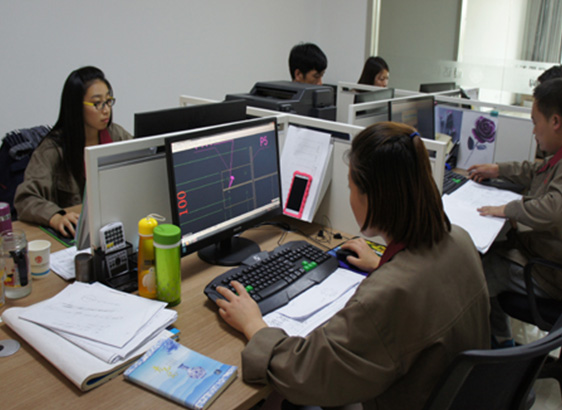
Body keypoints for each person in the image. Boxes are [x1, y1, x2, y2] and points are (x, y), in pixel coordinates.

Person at [215, 122, 490, 409]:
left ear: (373, 196)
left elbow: (305, 373)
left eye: (351, 186)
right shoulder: (460, 240)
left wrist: (254, 325)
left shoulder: (389, 293)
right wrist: (385, 265)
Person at [468, 78, 562, 347]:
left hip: (546, 272)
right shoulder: (557, 158)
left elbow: (554, 208)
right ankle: (502, 341)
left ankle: (490, 350)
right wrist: (499, 170)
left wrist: (508, 209)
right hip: (540, 255)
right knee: (486, 254)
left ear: (555, 121)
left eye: (535, 122)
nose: (533, 131)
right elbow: (536, 171)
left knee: (473, 271)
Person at [14, 66, 132, 236]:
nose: (106, 110)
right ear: (76, 106)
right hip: (73, 233)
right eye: (97, 103)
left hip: (113, 223)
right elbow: (25, 198)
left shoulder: (116, 134)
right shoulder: (52, 149)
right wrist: (55, 217)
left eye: (108, 101)